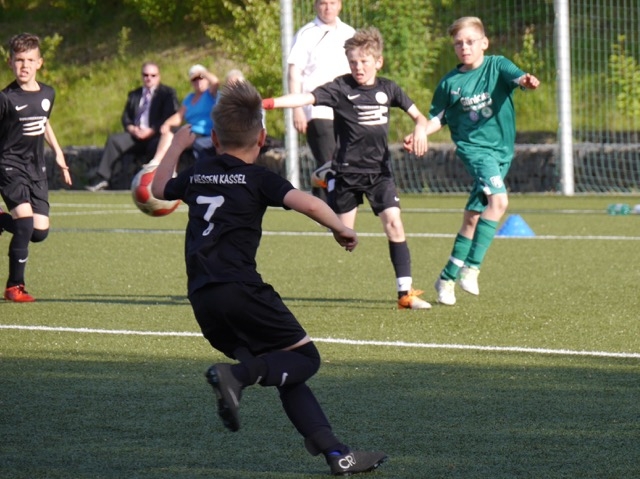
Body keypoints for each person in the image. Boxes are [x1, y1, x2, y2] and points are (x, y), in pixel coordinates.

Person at [150, 81, 387, 476]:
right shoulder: (259, 178)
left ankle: (337, 454)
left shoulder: (200, 172)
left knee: (283, 371)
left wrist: (176, 146)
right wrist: (340, 228)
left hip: (203, 300)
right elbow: (308, 203)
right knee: (306, 359)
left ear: (216, 140)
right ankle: (236, 377)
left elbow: (159, 189)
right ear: (261, 138)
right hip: (242, 291)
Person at [263, 27, 432, 310]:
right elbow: (304, 98)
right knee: (344, 235)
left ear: (378, 61)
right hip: (346, 173)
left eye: (364, 61)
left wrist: (421, 130)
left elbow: (420, 118)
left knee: (394, 222)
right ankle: (326, 179)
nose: (358, 67)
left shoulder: (389, 89)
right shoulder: (340, 88)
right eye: (353, 62)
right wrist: (268, 103)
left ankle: (405, 294)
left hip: (379, 173)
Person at [404, 16, 540, 306]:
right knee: (499, 202)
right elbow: (437, 118)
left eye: (470, 41)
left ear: (484, 43)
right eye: (458, 43)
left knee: (473, 218)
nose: (464, 47)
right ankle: (472, 268)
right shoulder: (450, 83)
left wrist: (527, 82)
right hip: (475, 151)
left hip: (502, 152)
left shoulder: (497, 65)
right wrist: (420, 132)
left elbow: (519, 78)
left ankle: (447, 277)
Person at [0, 33, 72, 302]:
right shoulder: (5, 98)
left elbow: (43, 122)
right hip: (9, 165)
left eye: (30, 60)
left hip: (36, 168)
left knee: (39, 232)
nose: (25, 65)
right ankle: (14, 286)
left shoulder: (48, 93)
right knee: (25, 223)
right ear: (10, 62)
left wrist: (58, 153)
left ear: (39, 63)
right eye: (19, 60)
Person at [287, 0, 355, 199]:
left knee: (344, 161)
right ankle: (326, 206)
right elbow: (294, 73)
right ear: (316, 6)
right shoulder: (306, 34)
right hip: (317, 109)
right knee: (328, 162)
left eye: (332, 3)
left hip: (346, 109)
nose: (328, 8)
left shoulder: (349, 33)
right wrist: (297, 108)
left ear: (340, 5)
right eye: (323, 3)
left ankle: (323, 202)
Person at [86, 62, 178, 191]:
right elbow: (126, 117)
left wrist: (151, 130)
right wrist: (132, 129)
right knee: (114, 141)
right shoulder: (135, 94)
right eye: (145, 75)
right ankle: (102, 179)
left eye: (153, 75)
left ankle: (152, 182)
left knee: (159, 145)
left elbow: (168, 116)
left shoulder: (167, 94)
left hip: (155, 135)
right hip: (135, 135)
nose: (149, 78)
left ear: (159, 76)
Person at [147, 64, 219, 166]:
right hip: (190, 130)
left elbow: (216, 82)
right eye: (194, 79)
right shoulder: (189, 98)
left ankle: (163, 165)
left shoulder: (210, 94)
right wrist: (167, 123)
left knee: (177, 140)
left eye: (201, 78)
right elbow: (179, 116)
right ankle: (157, 162)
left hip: (203, 132)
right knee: (170, 132)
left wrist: (201, 72)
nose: (198, 81)